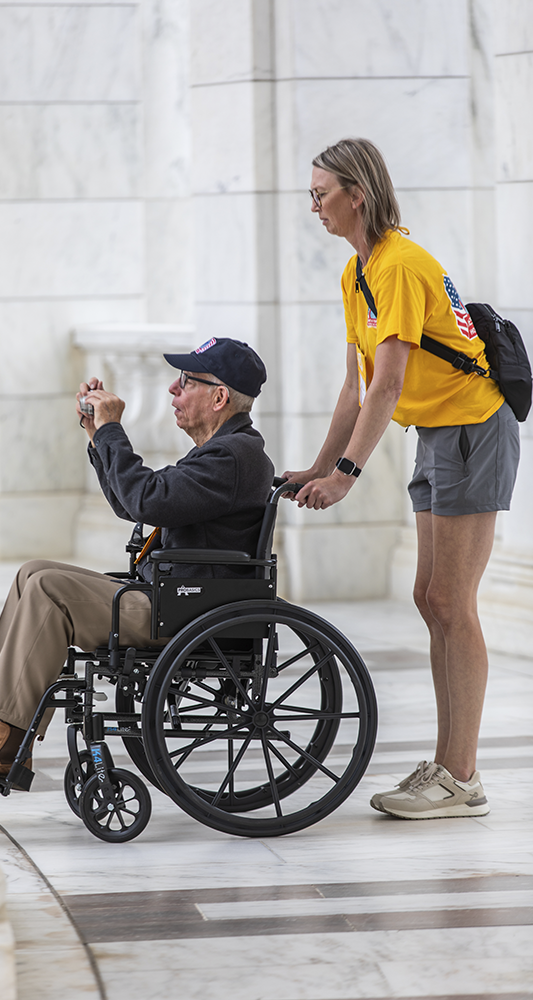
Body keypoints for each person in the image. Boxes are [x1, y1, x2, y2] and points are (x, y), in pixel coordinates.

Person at [283, 137, 519, 820]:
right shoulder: (357, 273)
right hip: (439, 434)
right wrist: (320, 465)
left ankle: (461, 775)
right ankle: (447, 767)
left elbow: (388, 384)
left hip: (473, 429)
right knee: (429, 597)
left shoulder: (400, 266)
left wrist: (347, 476)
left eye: (320, 193)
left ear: (356, 193)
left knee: (453, 600)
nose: (313, 206)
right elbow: (354, 388)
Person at [0, 337, 273, 776]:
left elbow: (144, 499)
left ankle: (6, 745)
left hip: (186, 609)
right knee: (33, 572)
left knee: (48, 586)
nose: (173, 391)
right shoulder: (225, 451)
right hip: (176, 596)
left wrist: (112, 430)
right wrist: (96, 433)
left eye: (185, 381)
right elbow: (133, 502)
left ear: (219, 397)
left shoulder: (232, 457)